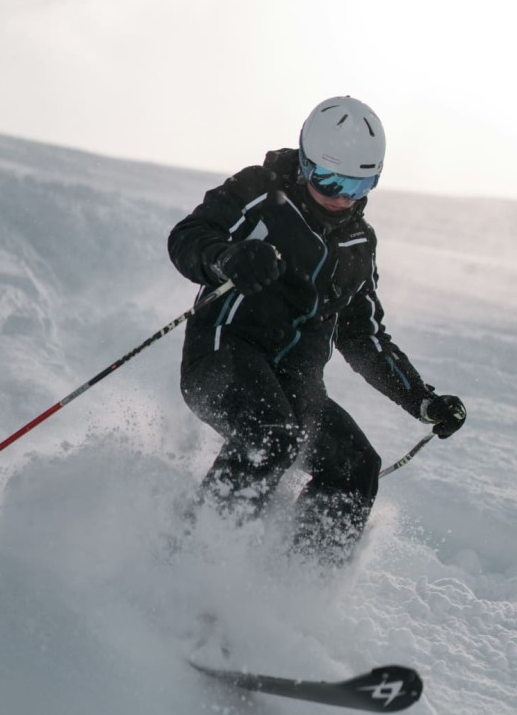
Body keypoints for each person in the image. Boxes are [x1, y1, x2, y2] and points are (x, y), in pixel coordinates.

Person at [167, 96, 465, 563]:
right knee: (271, 435)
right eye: (329, 180)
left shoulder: (357, 243)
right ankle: (190, 567)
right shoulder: (260, 193)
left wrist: (420, 399)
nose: (342, 197)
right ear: (306, 165)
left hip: (297, 386)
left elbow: (362, 335)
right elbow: (187, 237)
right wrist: (226, 257)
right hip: (223, 355)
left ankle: (292, 588)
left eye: (359, 184)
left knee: (356, 467)